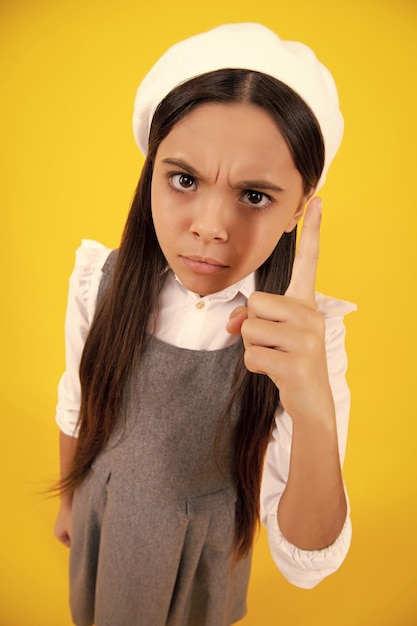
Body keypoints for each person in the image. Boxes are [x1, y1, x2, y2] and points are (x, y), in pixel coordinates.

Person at [54, 22, 356, 626]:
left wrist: (313, 406)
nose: (211, 226)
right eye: (184, 179)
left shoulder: (305, 339)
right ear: (151, 172)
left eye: (255, 195)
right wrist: (70, 499)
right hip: (104, 519)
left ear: (301, 205)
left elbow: (305, 560)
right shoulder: (100, 279)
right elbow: (76, 398)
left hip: (202, 557)